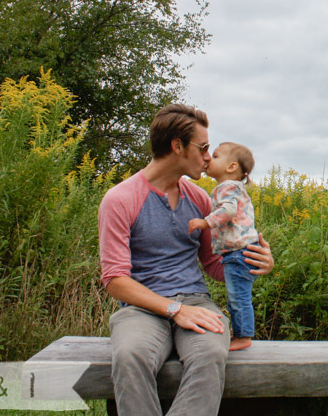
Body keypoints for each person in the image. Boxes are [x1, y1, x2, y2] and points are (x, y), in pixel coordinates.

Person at [98, 104, 274, 416]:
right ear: (177, 146)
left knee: (209, 353)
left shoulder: (200, 199)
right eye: (203, 148)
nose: (208, 158)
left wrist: (251, 264)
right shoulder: (120, 199)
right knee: (130, 356)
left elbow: (213, 265)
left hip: (196, 302)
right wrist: (173, 309)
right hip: (141, 308)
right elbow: (115, 280)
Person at [189, 142, 259, 351]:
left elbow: (228, 210)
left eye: (216, 156)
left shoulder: (227, 187)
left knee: (239, 297)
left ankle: (244, 336)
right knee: (237, 296)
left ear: (231, 167)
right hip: (239, 252)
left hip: (238, 253)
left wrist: (205, 222)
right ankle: (241, 334)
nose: (209, 158)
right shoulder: (232, 187)